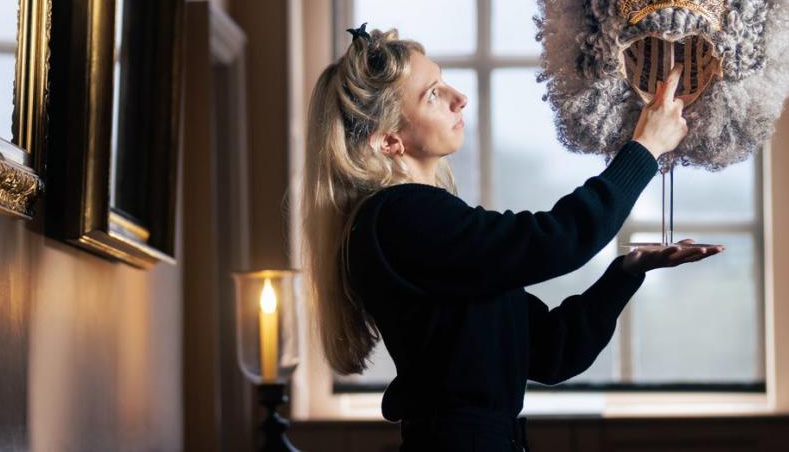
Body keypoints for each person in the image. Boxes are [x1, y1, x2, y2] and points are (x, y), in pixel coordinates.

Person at [303, 24, 724, 452]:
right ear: (389, 139)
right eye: (432, 94)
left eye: (444, 82)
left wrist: (628, 270)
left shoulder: (426, 222)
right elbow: (558, 239)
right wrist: (644, 148)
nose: (458, 98)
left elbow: (553, 352)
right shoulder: (401, 217)